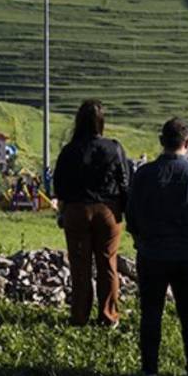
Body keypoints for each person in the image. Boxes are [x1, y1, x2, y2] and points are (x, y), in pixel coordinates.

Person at [127, 117, 188, 376]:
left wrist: (141, 240)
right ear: (187, 143)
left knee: (151, 314)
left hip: (151, 255)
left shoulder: (143, 175)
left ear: (161, 142)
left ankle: (149, 371)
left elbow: (131, 216)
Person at [53, 99, 130, 327]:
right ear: (101, 122)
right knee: (108, 264)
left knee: (80, 266)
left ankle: (79, 317)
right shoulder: (113, 147)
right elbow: (124, 181)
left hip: (77, 211)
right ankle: (108, 316)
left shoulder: (69, 150)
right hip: (107, 210)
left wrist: (64, 210)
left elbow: (59, 185)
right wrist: (123, 211)